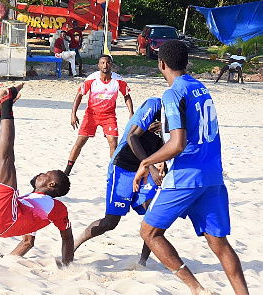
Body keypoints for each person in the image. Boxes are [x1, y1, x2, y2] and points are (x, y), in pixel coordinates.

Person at [133, 40, 249, 295]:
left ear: (161, 64)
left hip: (187, 175)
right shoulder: (201, 87)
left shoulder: (172, 93)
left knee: (149, 233)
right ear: (187, 63)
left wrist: (146, 161)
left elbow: (177, 143)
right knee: (219, 243)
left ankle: (197, 289)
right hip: (213, 176)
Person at [0, 84, 74, 265]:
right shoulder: (34, 206)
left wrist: (67, 265)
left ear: (52, 185)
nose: (40, 174)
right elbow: (27, 242)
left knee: (6, 158)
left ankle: (7, 101)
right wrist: (8, 262)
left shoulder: (56, 207)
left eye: (45, 175)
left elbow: (67, 238)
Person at [74, 97, 165, 266]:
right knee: (110, 223)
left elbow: (168, 144)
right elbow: (132, 138)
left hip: (146, 167)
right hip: (124, 167)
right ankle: (74, 245)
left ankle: (142, 262)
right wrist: (150, 166)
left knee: (155, 215)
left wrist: (161, 160)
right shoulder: (154, 105)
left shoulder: (179, 116)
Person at [65, 54, 134, 175]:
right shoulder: (92, 79)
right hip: (91, 115)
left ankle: (113, 170)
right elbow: (79, 95)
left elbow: (126, 96)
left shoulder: (118, 80)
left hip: (109, 116)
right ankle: (68, 169)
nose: (105, 65)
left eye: (107, 63)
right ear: (99, 65)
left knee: (113, 142)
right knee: (80, 141)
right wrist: (73, 114)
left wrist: (131, 112)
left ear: (111, 64)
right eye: (102, 63)